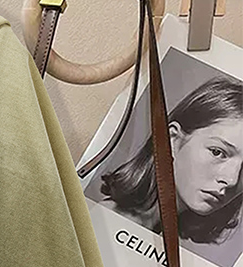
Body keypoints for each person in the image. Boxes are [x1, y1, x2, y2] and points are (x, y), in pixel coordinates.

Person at [99, 75, 243, 245]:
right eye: (218, 152)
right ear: (172, 139)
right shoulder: (108, 222)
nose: (232, 180)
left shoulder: (153, 232)